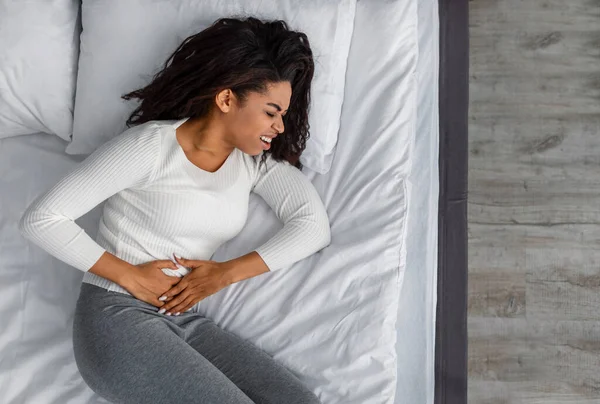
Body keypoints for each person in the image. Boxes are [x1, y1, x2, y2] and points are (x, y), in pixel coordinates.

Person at [19, 16, 330, 404]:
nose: (280, 127)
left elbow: (312, 226)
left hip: (182, 321)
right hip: (115, 321)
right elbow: (42, 219)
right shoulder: (150, 147)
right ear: (227, 99)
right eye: (271, 112)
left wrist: (224, 274)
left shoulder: (253, 163)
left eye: (282, 114)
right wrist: (130, 276)